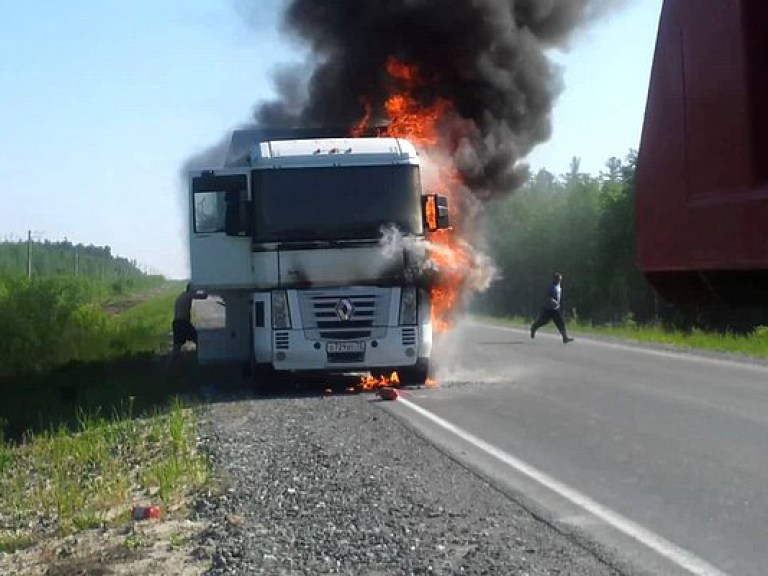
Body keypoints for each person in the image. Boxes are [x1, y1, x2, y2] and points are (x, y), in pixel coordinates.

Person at [530, 273, 574, 343]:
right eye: (559, 279)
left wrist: (558, 304)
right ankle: (534, 327)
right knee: (544, 321)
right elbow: (547, 296)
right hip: (548, 309)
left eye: (560, 279)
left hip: (555, 309)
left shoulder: (558, 287)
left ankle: (565, 337)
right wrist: (552, 301)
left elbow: (558, 297)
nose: (560, 280)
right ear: (555, 279)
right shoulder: (551, 287)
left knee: (560, 322)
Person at [171, 283, 208, 357]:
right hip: (183, 323)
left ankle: (170, 366)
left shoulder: (183, 295)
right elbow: (204, 296)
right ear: (192, 289)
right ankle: (200, 360)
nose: (196, 292)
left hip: (177, 322)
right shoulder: (189, 295)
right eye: (195, 290)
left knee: (177, 347)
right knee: (198, 340)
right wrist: (206, 288)